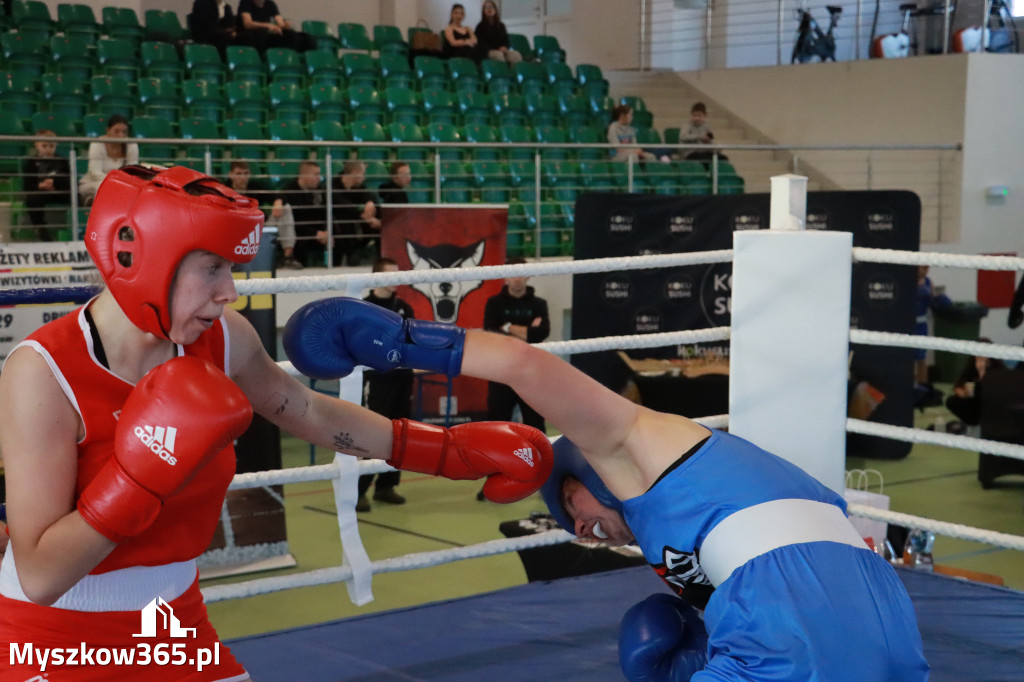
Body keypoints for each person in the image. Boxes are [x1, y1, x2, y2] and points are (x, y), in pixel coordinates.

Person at [0, 165, 552, 681]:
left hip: (171, 619)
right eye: (212, 268)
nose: (229, 292)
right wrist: (138, 477)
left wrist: (439, 450)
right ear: (137, 257)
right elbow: (43, 575)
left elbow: (306, 409)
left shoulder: (221, 337)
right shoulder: (44, 373)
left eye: (231, 270)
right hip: (54, 634)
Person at [283, 297, 931, 682]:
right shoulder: (695, 507)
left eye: (572, 505)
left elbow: (523, 365)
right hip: (885, 618)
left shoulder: (632, 445)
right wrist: (297, 408)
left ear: (586, 472)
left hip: (791, 608)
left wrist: (398, 343)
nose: (581, 529)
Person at [356, 258, 417, 513]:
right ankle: (359, 491)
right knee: (374, 432)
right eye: (390, 274)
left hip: (402, 376)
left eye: (397, 273)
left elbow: (412, 339)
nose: (396, 279)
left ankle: (386, 486)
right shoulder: (365, 307)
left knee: (402, 432)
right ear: (377, 277)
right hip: (377, 379)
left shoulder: (403, 306)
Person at [225, 160, 302, 269]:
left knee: (285, 208)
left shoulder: (256, 186)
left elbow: (279, 194)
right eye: (238, 174)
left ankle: (288, 257)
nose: (243, 177)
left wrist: (278, 201)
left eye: (246, 173)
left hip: (258, 230)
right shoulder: (224, 189)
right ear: (231, 175)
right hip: (235, 233)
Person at [20, 129, 71, 242]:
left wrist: (56, 185)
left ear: (56, 145)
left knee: (76, 196)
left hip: (58, 192)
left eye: (51, 146)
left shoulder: (62, 161)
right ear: (37, 145)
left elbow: (69, 181)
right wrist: (41, 186)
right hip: (41, 192)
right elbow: (27, 185)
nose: (48, 149)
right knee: (32, 199)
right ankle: (41, 229)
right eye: (44, 146)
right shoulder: (31, 162)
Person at [274, 160, 327, 267]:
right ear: (303, 175)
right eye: (315, 174)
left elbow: (325, 214)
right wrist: (315, 233)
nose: (319, 178)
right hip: (299, 232)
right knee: (300, 240)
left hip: (317, 231)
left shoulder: (320, 191)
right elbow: (295, 221)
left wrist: (326, 231)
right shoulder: (290, 190)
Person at [78, 115, 139, 205]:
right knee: (101, 187)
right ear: (108, 131)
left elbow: (132, 171)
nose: (120, 135)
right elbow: (96, 173)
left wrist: (120, 183)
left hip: (122, 184)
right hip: (94, 183)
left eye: (124, 132)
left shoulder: (132, 145)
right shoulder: (97, 144)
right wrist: (115, 182)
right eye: (116, 131)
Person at [944, 338, 1004, 431]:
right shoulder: (971, 365)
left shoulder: (998, 368)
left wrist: (982, 372)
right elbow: (960, 384)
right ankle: (972, 424)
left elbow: (991, 390)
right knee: (952, 400)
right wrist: (961, 391)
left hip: (992, 405)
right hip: (974, 404)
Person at [331, 160, 381, 267]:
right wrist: (362, 214)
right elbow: (342, 204)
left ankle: (382, 261)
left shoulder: (358, 187)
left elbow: (371, 196)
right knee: (344, 217)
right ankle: (352, 258)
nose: (364, 177)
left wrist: (370, 202)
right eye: (363, 173)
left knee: (379, 224)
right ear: (355, 173)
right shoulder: (332, 185)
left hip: (358, 227)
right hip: (337, 230)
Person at [236, 0, 315, 53]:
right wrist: (269, 26)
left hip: (265, 34)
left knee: (293, 35)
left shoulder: (270, 4)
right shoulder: (245, 2)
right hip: (249, 34)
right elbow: (248, 24)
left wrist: (285, 25)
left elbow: (280, 23)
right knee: (261, 34)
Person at [678, 101, 726, 166]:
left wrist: (714, 147)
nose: (696, 118)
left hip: (704, 152)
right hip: (690, 153)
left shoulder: (707, 128)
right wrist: (700, 137)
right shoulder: (687, 126)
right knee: (704, 159)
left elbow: (710, 142)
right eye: (694, 115)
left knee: (723, 158)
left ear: (705, 115)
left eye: (699, 115)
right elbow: (683, 137)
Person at [475, 1, 522, 65]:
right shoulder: (480, 26)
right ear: (483, 11)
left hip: (501, 50)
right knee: (498, 55)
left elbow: (506, 40)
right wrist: (494, 49)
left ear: (495, 10)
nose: (489, 9)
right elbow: (481, 44)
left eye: (491, 7)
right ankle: (503, 74)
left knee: (516, 55)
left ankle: (514, 73)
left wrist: (504, 47)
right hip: (488, 51)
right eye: (486, 8)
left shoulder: (501, 25)